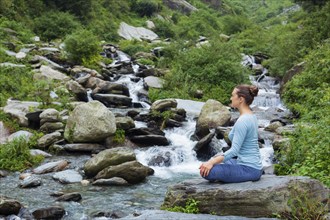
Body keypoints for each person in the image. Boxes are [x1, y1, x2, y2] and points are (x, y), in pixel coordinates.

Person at [199, 84, 263, 183]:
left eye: (233, 95)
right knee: (213, 162)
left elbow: (234, 151)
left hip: (249, 169)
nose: (231, 98)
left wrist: (211, 162)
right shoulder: (251, 116)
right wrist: (213, 160)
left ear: (241, 99)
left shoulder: (243, 121)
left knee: (207, 172)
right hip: (249, 165)